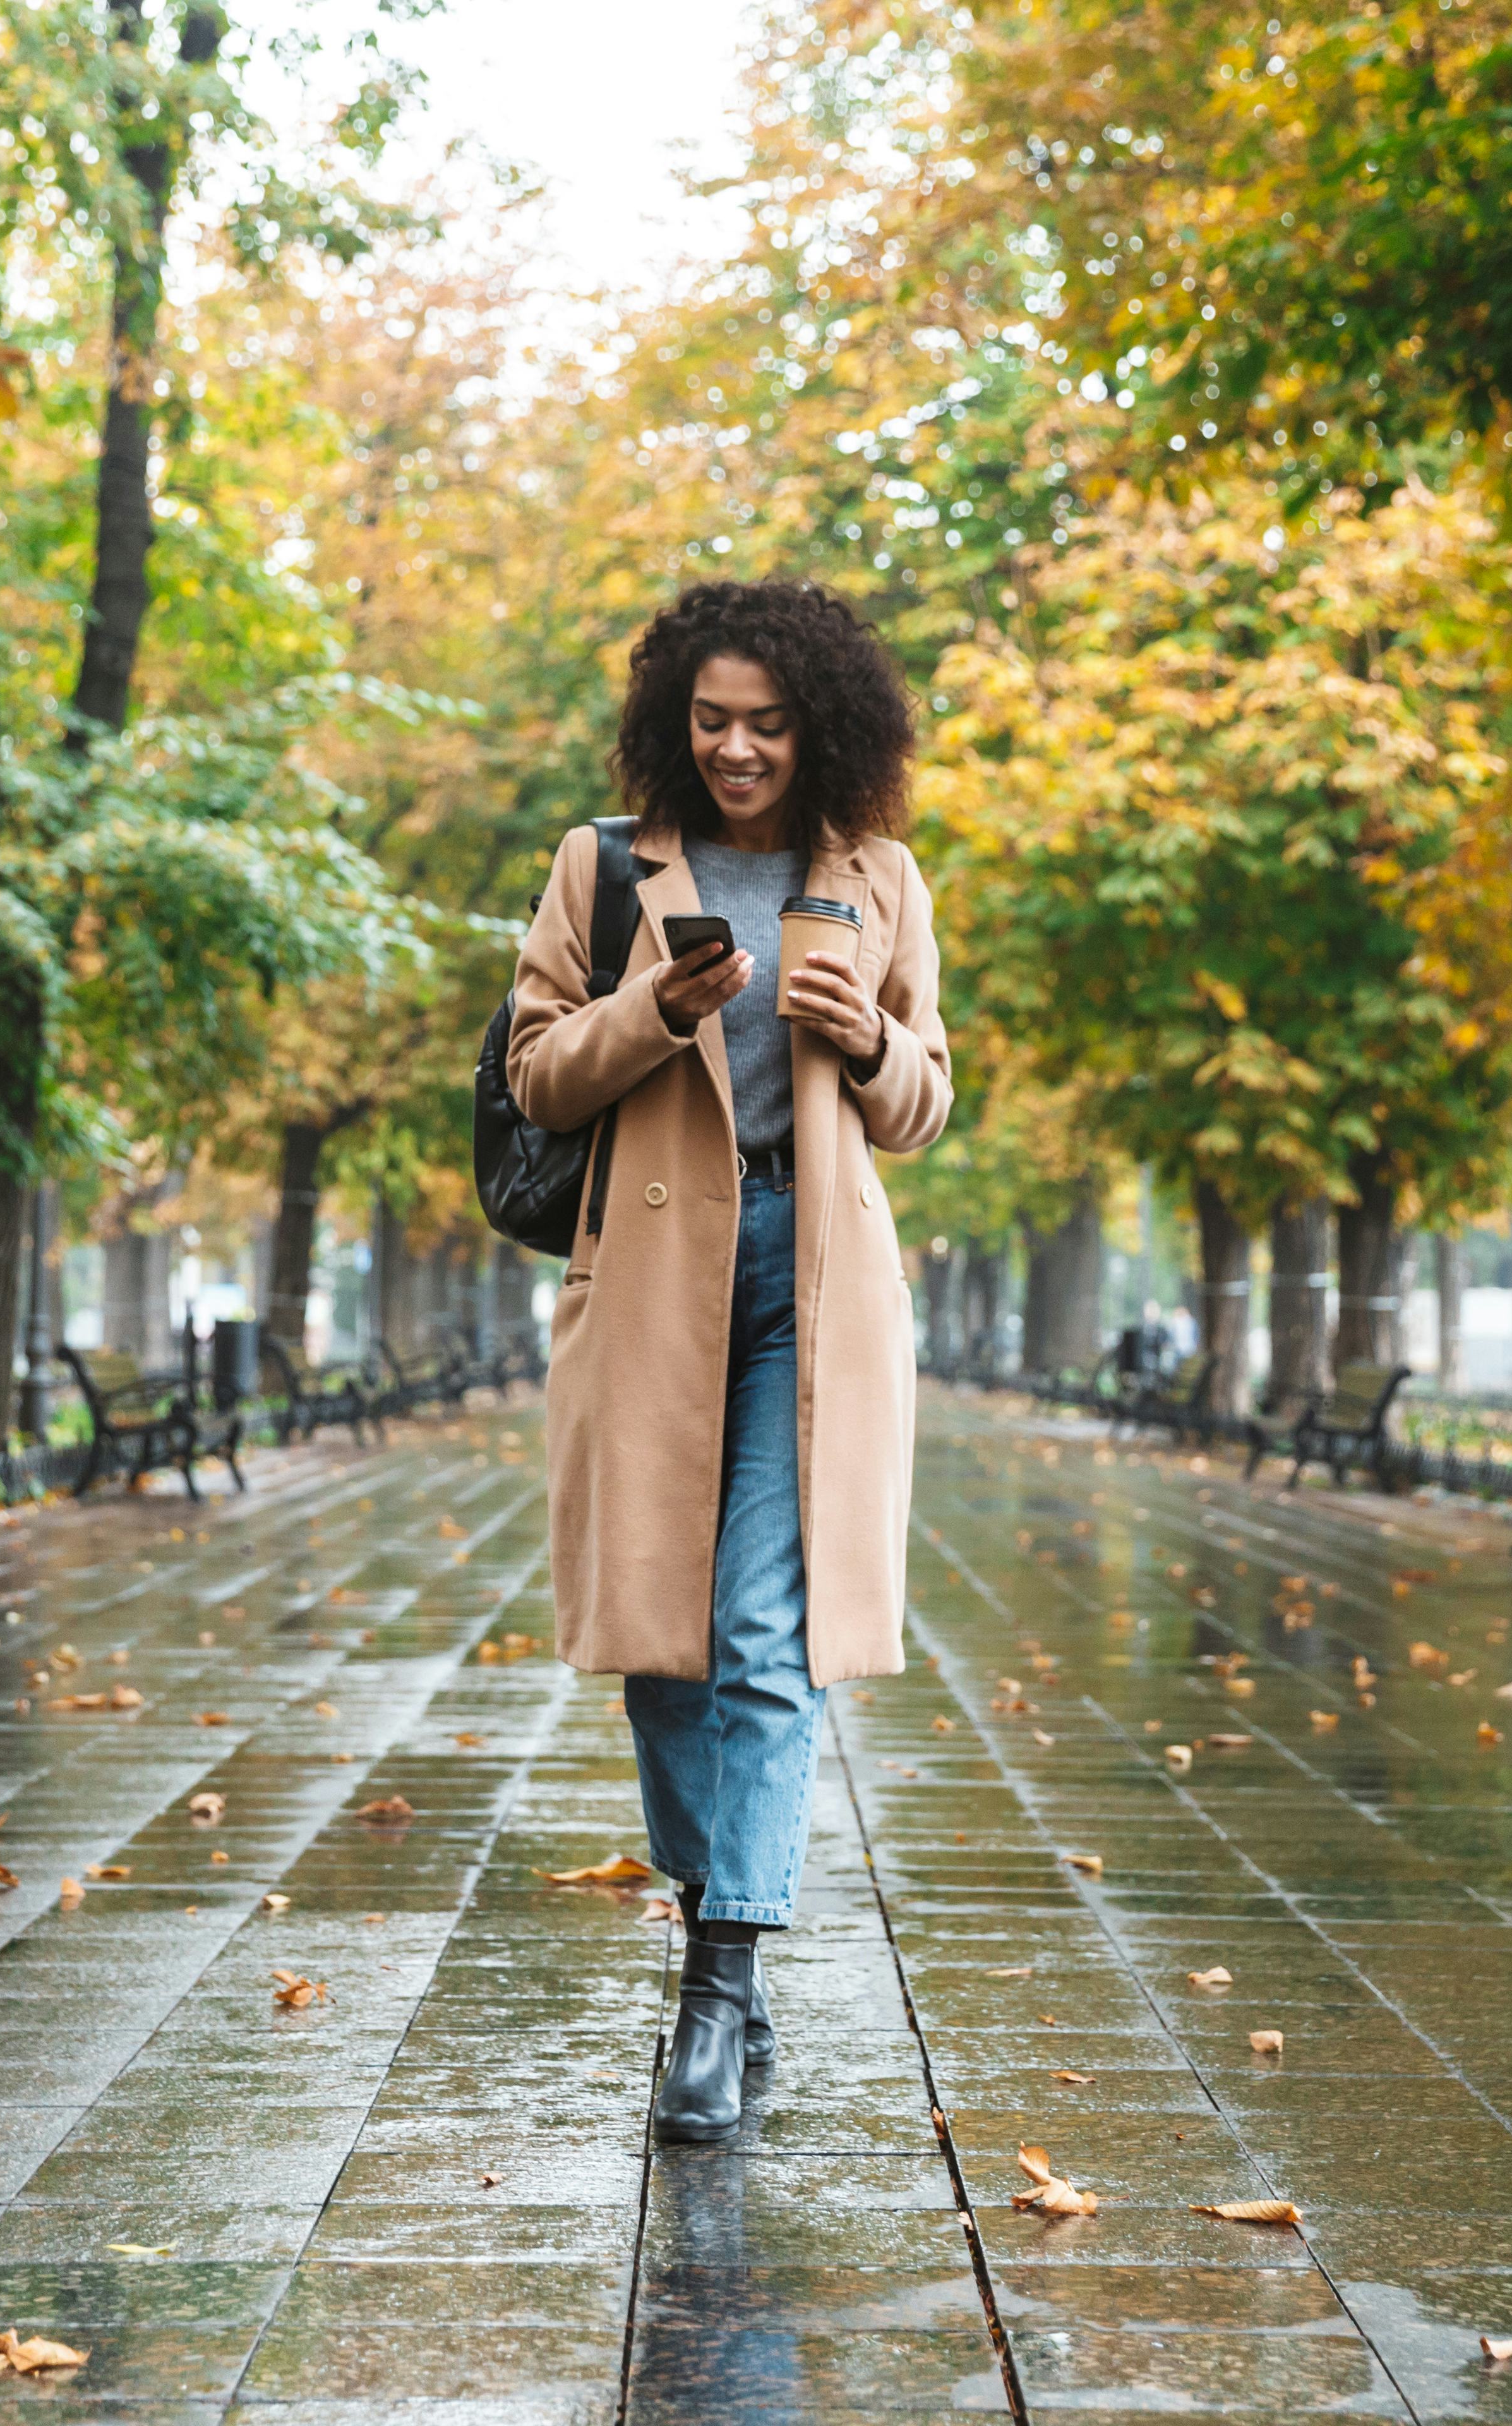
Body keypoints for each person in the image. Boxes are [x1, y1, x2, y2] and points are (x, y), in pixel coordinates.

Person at [503, 579, 951, 2146]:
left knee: (764, 1630)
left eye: (766, 722)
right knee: (661, 1651)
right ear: (669, 722)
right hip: (650, 1280)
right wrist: (651, 1006)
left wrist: (870, 1039)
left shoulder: (875, 874)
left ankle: (718, 1981)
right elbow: (536, 1076)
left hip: (814, 1286)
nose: (738, 748)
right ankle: (726, 1935)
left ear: (817, 723)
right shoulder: (601, 867)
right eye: (711, 720)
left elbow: (922, 1102)